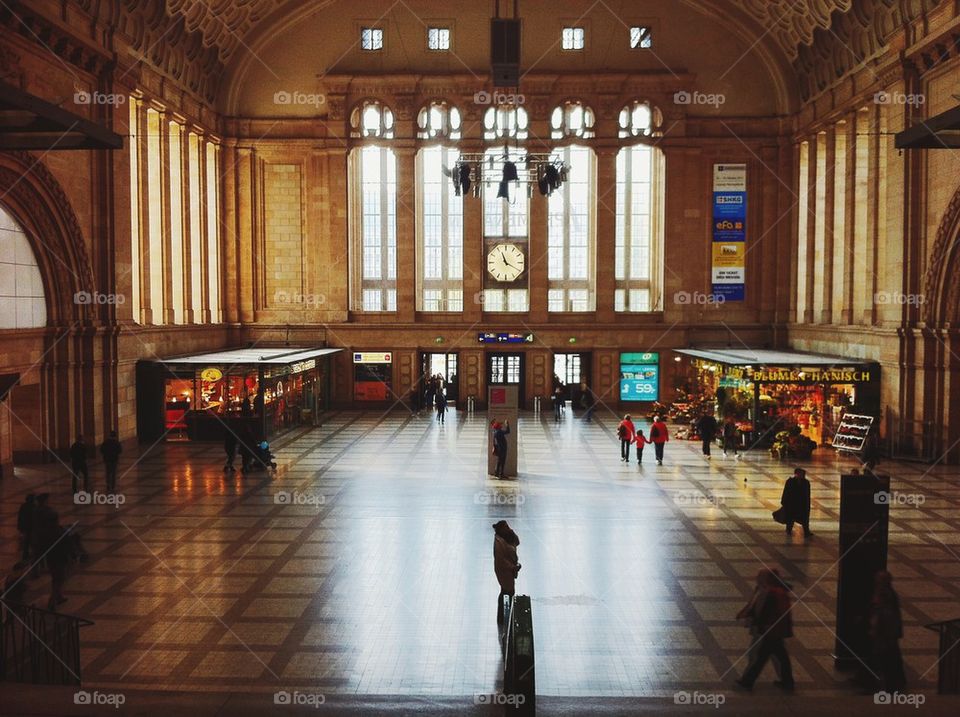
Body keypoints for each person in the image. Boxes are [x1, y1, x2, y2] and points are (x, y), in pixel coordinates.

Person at [736, 569, 795, 691]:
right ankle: (787, 682)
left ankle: (747, 682)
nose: (757, 578)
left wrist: (758, 624)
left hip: (771, 630)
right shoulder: (768, 590)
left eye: (760, 576)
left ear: (768, 579)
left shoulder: (773, 593)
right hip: (774, 631)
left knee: (761, 657)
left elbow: (766, 612)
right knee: (779, 657)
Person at [869, 570, 906, 693]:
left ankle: (890, 685)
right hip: (887, 634)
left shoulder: (887, 596)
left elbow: (888, 617)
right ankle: (892, 683)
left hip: (886, 635)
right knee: (891, 658)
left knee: (888, 659)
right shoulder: (888, 594)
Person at [493, 520, 520, 628]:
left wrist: (512, 532)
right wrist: (513, 567)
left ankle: (504, 617)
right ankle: (504, 617)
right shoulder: (499, 542)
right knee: (507, 591)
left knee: (506, 591)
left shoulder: (506, 537)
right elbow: (501, 561)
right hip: (504, 571)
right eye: (506, 527)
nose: (508, 528)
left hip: (508, 570)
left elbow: (517, 542)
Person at [780, 468, 813, 538]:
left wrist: (807, 505)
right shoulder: (790, 482)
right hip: (792, 503)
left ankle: (806, 531)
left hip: (802, 504)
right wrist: (784, 501)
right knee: (790, 518)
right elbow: (786, 492)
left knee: (804, 519)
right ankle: (788, 529)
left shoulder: (806, 483)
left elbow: (807, 494)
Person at [17, 494, 35, 562]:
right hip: (32, 528)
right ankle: (31, 556)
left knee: (26, 543)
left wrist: (20, 527)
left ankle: (25, 557)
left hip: (26, 528)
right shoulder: (34, 506)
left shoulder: (23, 506)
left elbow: (20, 517)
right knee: (32, 543)